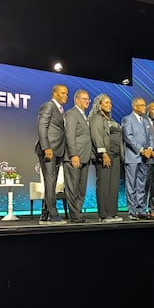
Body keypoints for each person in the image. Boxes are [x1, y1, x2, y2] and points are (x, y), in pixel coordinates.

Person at [35, 84, 68, 224]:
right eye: (63, 93)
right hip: (49, 151)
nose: (65, 96)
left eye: (66, 93)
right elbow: (42, 127)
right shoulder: (48, 105)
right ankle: (53, 215)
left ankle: (45, 213)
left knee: (52, 183)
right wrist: (46, 148)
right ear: (55, 94)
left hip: (58, 150)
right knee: (50, 181)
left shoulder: (60, 110)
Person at [89, 93, 123, 222]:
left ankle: (112, 213)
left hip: (115, 156)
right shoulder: (96, 119)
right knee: (103, 185)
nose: (109, 105)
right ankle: (104, 215)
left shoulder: (111, 120)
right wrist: (103, 154)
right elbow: (97, 136)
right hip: (104, 156)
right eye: (106, 103)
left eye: (110, 103)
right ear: (99, 105)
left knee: (113, 185)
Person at [122, 97, 154, 220]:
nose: (144, 107)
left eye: (144, 105)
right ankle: (132, 210)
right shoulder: (127, 119)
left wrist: (150, 149)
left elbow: (151, 137)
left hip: (145, 158)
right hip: (133, 157)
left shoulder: (145, 121)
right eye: (142, 105)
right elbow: (128, 137)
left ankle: (141, 209)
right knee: (131, 185)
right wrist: (141, 150)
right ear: (135, 106)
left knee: (142, 184)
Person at [63, 89, 92, 223]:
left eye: (88, 99)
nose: (87, 101)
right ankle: (74, 216)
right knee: (72, 188)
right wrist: (74, 154)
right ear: (76, 100)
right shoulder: (72, 114)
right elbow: (69, 135)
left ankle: (78, 214)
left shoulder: (84, 116)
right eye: (84, 99)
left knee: (81, 189)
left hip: (85, 158)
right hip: (74, 157)